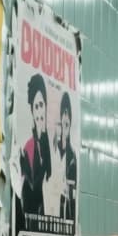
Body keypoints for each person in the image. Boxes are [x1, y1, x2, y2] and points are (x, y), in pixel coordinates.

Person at [20, 73, 51, 217]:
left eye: (41, 105)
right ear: (32, 111)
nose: (40, 112)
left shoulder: (48, 145)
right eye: (36, 107)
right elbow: (29, 187)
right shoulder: (28, 147)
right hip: (31, 213)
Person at [55, 91, 77, 222]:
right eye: (62, 125)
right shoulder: (53, 151)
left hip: (65, 211)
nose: (64, 130)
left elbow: (72, 194)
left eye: (67, 125)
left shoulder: (72, 157)